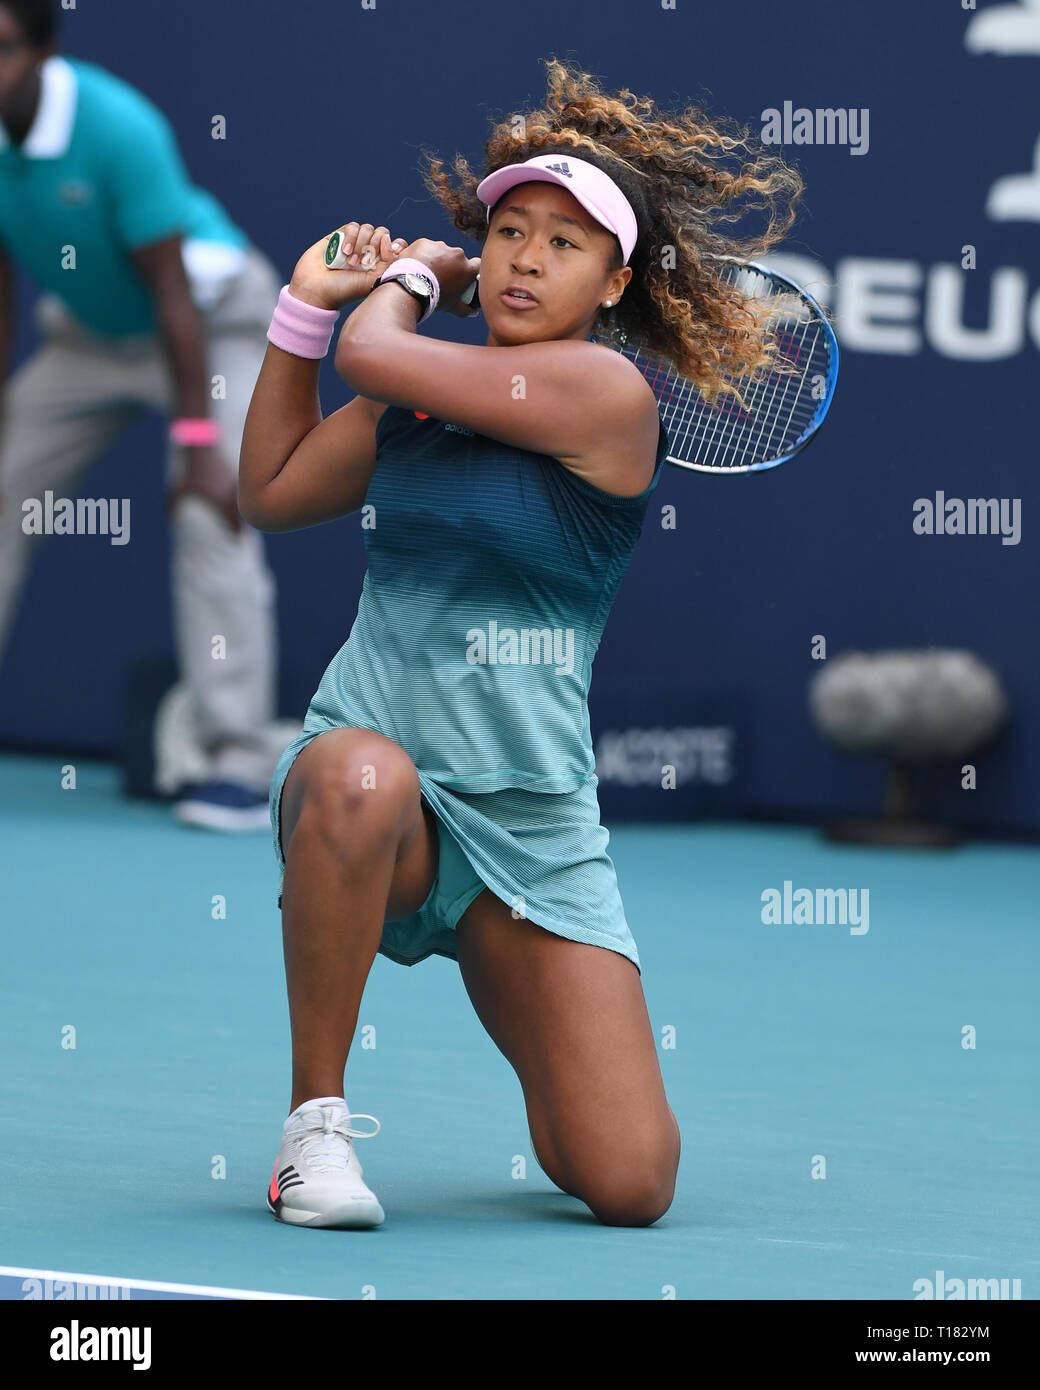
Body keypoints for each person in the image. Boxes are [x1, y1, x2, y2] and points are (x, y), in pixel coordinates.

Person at [240, 58, 803, 1228]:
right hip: (373, 796)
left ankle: (528, 1025)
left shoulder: (607, 397)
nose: (524, 257)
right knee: (356, 770)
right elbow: (275, 489)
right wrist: (301, 312)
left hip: (531, 829)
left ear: (612, 283)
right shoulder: (411, 402)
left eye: (562, 241)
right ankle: (314, 1135)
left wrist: (399, 279)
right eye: (505, 232)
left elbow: (378, 351)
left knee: (626, 1182)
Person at [0, 0, 284, 830]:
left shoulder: (119, 127)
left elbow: (171, 295)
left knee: (210, 510)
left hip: (208, 323)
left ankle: (236, 751)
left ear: (44, 51)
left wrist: (198, 444)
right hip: (92, 335)